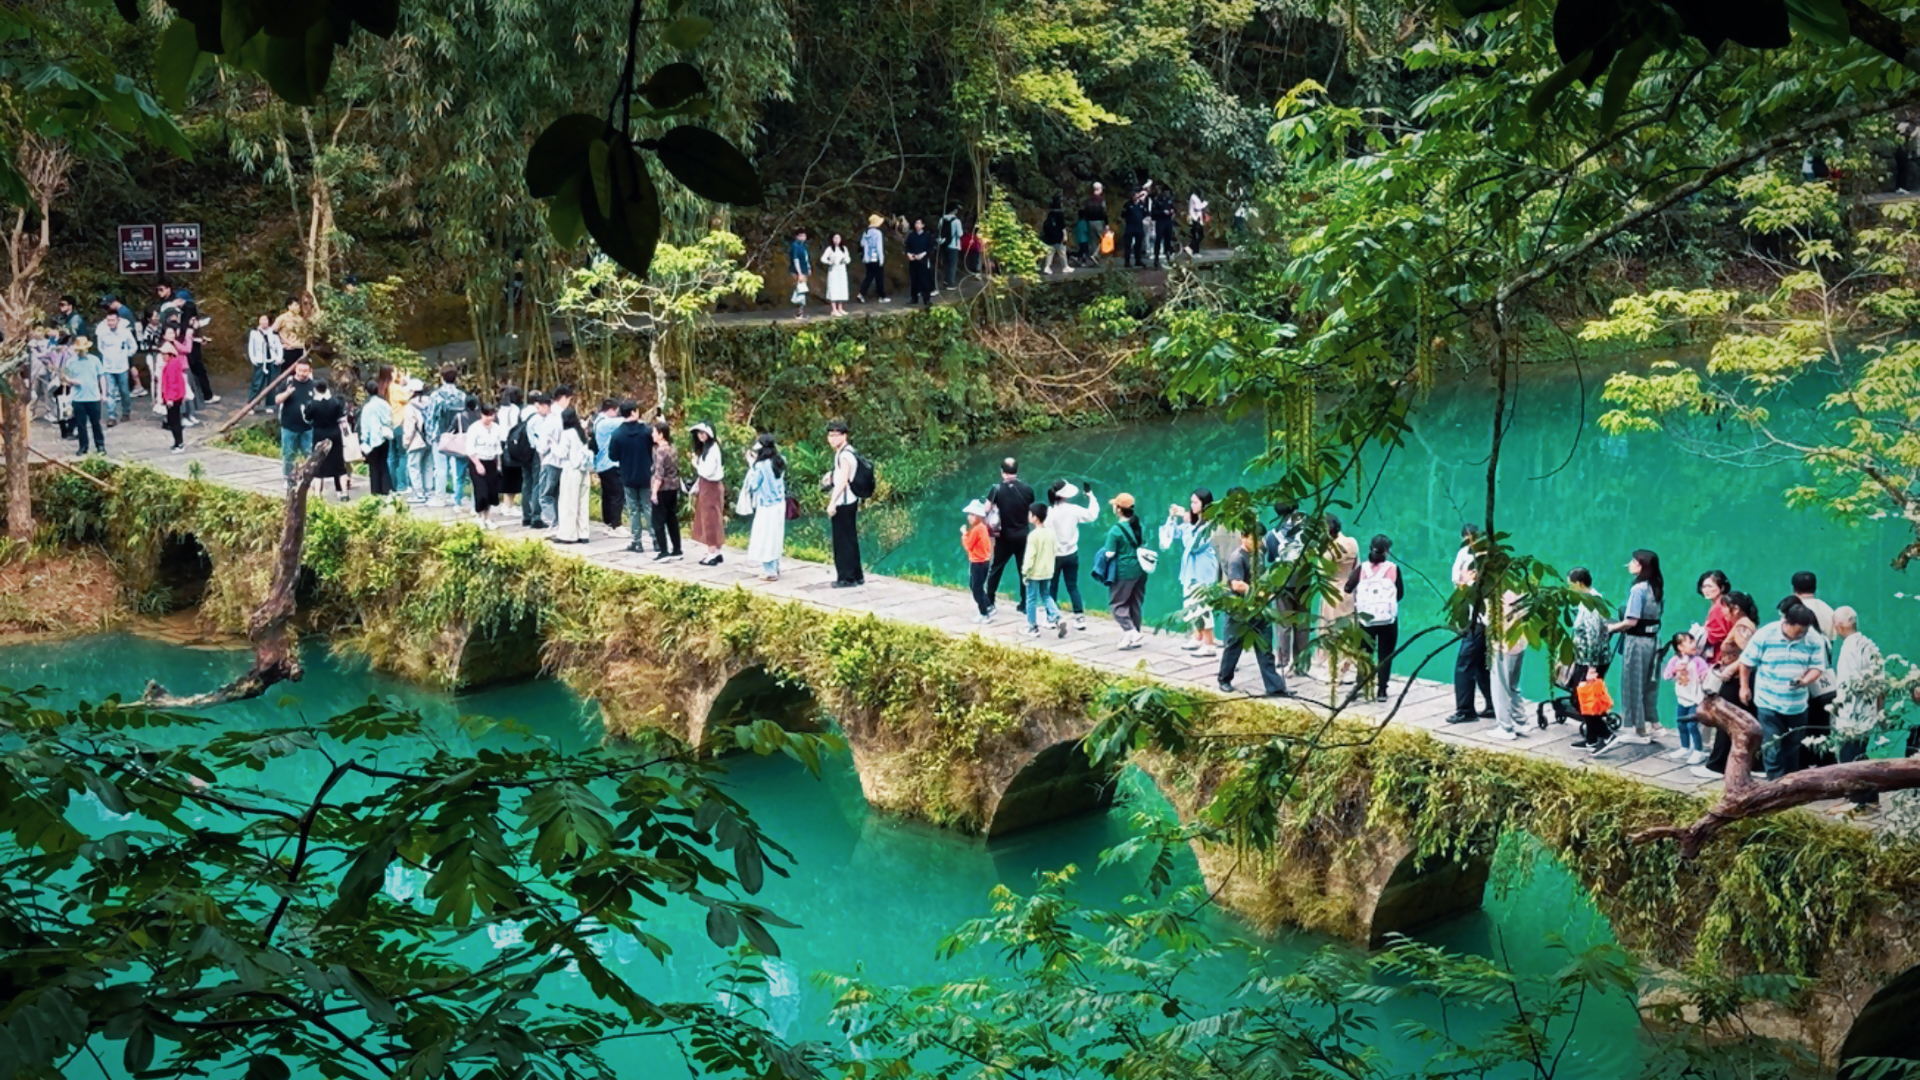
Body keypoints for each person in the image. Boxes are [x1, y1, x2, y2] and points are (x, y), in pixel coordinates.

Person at [1740, 602, 1829, 780]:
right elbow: (1746, 662)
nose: (1800, 636)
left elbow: (1817, 667)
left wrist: (1805, 681)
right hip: (1769, 701)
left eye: (1803, 632)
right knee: (1772, 747)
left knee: (1793, 746)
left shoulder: (1813, 638)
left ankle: (1789, 783)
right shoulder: (1765, 634)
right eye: (1797, 632)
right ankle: (1775, 784)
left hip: (1797, 704)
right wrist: (1744, 687)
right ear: (1786, 623)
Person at [1690, 591, 1762, 780]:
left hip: (1738, 681)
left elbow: (1750, 654)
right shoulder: (1744, 624)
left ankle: (1717, 766)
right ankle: (1754, 764)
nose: (1722, 611)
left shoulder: (1742, 627)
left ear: (1736, 609)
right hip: (1740, 679)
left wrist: (1731, 669)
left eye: (1725, 607)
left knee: (1726, 720)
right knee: (1745, 721)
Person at [1218, 524, 1290, 698]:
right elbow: (1236, 584)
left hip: (1259, 608)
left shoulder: (1259, 553)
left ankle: (1274, 686)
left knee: (1265, 647)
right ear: (1244, 537)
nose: (1260, 542)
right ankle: (1224, 679)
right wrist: (1258, 591)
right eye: (1255, 538)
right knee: (1233, 646)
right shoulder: (1237, 558)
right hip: (1239, 609)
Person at [1605, 549, 1666, 746]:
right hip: (1653, 640)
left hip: (1637, 642)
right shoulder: (1656, 586)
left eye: (1633, 561)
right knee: (1648, 683)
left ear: (1641, 566)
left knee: (1633, 682)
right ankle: (1653, 722)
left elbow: (1631, 621)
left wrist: (1612, 627)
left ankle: (1638, 729)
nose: (1629, 564)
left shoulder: (1638, 589)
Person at [1832, 607, 1889, 812]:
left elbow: (1849, 685)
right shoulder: (1869, 644)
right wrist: (1879, 711)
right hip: (1868, 712)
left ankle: (1857, 803)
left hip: (1852, 715)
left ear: (1838, 625)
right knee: (1860, 756)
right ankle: (1869, 798)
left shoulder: (1849, 650)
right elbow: (1881, 682)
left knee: (1850, 759)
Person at [1161, 489, 1220, 656]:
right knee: (1190, 605)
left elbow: (1194, 545)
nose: (1192, 505)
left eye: (1195, 502)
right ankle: (1197, 637)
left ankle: (1209, 643)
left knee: (1202, 606)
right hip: (1190, 571)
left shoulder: (1209, 524)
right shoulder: (1193, 522)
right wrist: (1173, 518)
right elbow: (1175, 533)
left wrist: (1187, 520)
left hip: (1203, 572)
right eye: (1191, 502)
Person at [1446, 524, 1495, 724]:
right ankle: (1492, 705)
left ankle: (1465, 710)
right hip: (1475, 617)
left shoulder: (1486, 559)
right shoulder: (1465, 554)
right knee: (1480, 665)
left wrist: (1466, 581)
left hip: (1481, 620)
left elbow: (1467, 583)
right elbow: (1458, 581)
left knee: (1464, 665)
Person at [1345, 534, 1403, 701]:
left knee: (1364, 653)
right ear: (1388, 551)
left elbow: (1348, 588)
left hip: (1366, 619)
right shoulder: (1394, 568)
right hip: (1388, 620)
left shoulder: (1362, 569)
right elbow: (1400, 594)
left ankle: (1360, 686)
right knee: (1385, 654)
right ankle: (1382, 690)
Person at [1790, 571, 1840, 767]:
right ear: (1815, 587)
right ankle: (1824, 761)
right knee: (1822, 720)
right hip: (1823, 673)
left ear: (1794, 588)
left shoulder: (1793, 610)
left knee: (1802, 720)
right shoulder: (1828, 610)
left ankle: (1802, 762)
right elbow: (1831, 643)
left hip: (1801, 674)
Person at [1567, 567, 1614, 750]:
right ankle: (1591, 739)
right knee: (1586, 697)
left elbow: (1593, 637)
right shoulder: (1586, 600)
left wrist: (1591, 667)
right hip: (1584, 658)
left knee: (1581, 698)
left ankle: (1606, 734)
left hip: (1590, 660)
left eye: (1570, 584)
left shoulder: (1591, 604)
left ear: (1579, 583)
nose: (1569, 588)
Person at [1045, 480, 1100, 631]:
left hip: (1054, 555)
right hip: (1071, 553)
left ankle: (1052, 617)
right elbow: (1092, 515)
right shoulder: (1074, 510)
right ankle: (1080, 617)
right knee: (1072, 586)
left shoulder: (1050, 512)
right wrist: (1091, 496)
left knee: (1052, 587)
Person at [984, 458, 1037, 613]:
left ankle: (990, 601)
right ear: (1017, 471)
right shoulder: (1028, 489)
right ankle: (1025, 604)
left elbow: (986, 509)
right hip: (1023, 536)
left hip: (1004, 537)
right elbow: (1031, 513)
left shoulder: (997, 489)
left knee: (996, 569)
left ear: (1002, 472)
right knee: (1024, 569)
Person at [1264, 503, 1311, 676]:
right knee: (1303, 624)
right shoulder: (1307, 530)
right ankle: (1301, 664)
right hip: (1304, 581)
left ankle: (1283, 662)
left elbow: (1270, 558)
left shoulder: (1273, 535)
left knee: (1284, 624)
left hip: (1283, 582)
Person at [1101, 493, 1148, 650]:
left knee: (1117, 604)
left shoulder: (1115, 530)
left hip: (1124, 571)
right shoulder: (1139, 525)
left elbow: (1109, 554)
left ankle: (1131, 632)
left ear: (1119, 509)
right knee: (1135, 603)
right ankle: (1134, 634)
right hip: (1140, 570)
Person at [1319, 514, 1361, 686]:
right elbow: (1357, 567)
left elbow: (1322, 573)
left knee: (1331, 631)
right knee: (1350, 628)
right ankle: (1349, 666)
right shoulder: (1352, 542)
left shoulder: (1329, 550)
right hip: (1350, 590)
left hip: (1332, 591)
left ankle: (1333, 672)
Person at [607, 400, 653, 553]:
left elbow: (612, 456)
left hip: (627, 475)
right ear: (633, 413)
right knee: (648, 507)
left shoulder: (617, 434)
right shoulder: (647, 431)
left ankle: (637, 541)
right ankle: (656, 540)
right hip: (646, 474)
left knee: (633, 510)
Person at [1662, 632, 1711, 764]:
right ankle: (1685, 747)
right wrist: (1674, 670)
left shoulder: (1698, 661)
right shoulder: (1674, 661)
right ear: (1680, 647)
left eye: (1693, 641)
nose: (1694, 644)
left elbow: (1705, 674)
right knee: (1681, 724)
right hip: (1682, 699)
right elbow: (1666, 676)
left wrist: (1704, 676)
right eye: (1689, 642)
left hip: (1696, 699)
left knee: (1692, 725)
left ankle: (1698, 751)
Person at [825, 420, 864, 586]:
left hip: (844, 502)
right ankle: (856, 575)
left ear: (844, 435)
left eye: (836, 435)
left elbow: (843, 480)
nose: (832, 438)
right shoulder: (849, 452)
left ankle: (846, 578)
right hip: (851, 500)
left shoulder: (844, 455)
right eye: (830, 435)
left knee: (842, 541)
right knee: (850, 538)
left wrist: (832, 502)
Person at [744, 433, 787, 580]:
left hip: (766, 506)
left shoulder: (761, 466)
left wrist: (751, 465)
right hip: (779, 504)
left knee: (765, 537)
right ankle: (775, 566)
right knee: (775, 536)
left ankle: (770, 571)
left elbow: (753, 485)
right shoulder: (780, 461)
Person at [421, 366, 466, 507]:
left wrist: (430, 434)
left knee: (440, 468)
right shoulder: (462, 396)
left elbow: (430, 417)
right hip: (458, 435)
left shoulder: (436, 396)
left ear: (441, 378)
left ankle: (440, 497)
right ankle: (456, 496)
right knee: (455, 467)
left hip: (440, 435)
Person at [550, 407, 594, 544]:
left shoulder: (567, 433)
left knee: (568, 502)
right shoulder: (581, 432)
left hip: (571, 470)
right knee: (582, 502)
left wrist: (553, 445)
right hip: (584, 470)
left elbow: (562, 453)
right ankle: (583, 533)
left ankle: (568, 534)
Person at [1021, 504, 1065, 638]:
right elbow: (1056, 549)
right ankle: (1057, 616)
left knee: (1031, 598)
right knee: (1046, 595)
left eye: (1030, 514)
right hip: (1048, 571)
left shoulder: (1033, 535)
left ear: (1035, 518)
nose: (1028, 516)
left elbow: (1030, 556)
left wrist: (1025, 571)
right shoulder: (1051, 533)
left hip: (1034, 572)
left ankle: (1032, 627)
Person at [305, 380, 351, 501]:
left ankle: (317, 496)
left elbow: (307, 418)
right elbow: (342, 418)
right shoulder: (335, 402)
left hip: (319, 435)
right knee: (339, 465)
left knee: (318, 466)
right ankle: (345, 493)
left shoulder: (312, 404)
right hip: (335, 434)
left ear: (315, 390)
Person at [688, 422, 726, 565]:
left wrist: (696, 464)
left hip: (711, 487)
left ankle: (712, 552)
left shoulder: (712, 450)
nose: (700, 436)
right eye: (699, 433)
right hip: (707, 486)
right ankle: (716, 551)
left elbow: (708, 472)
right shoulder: (708, 448)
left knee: (709, 518)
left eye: (703, 433)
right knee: (712, 517)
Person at [273, 359, 316, 483]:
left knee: (309, 455)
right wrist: (287, 393)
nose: (302, 373)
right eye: (300, 370)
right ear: (295, 369)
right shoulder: (288, 382)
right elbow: (277, 400)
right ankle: (288, 480)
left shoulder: (313, 384)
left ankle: (309, 480)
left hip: (308, 428)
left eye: (305, 371)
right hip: (289, 427)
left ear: (309, 371)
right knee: (289, 455)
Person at [62, 336, 107, 454]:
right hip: (78, 398)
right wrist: (71, 381)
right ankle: (83, 446)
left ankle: (100, 445)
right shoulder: (71, 362)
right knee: (81, 424)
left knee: (96, 423)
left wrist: (104, 393)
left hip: (93, 396)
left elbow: (101, 376)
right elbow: (65, 377)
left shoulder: (94, 360)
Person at [465, 404, 505, 528]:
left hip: (491, 461)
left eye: (491, 415)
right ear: (481, 415)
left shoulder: (497, 428)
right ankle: (479, 517)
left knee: (492, 492)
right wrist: (477, 464)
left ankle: (487, 517)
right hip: (477, 460)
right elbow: (470, 448)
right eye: (486, 415)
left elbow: (498, 447)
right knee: (481, 491)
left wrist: (499, 464)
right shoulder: (474, 428)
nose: (489, 418)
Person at [649, 421, 684, 559]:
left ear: (661, 434)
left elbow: (659, 473)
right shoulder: (672, 448)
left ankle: (663, 551)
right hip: (673, 487)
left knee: (657, 521)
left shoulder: (660, 451)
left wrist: (654, 492)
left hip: (662, 489)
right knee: (671, 518)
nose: (652, 435)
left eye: (654, 432)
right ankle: (677, 549)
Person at [95, 310, 135, 425]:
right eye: (109, 320)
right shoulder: (103, 333)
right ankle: (111, 416)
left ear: (118, 320)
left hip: (122, 367)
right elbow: (100, 348)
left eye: (113, 320)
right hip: (108, 367)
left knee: (124, 391)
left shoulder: (125, 333)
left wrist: (124, 355)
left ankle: (126, 411)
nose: (111, 323)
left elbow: (133, 347)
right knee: (109, 392)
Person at [592, 398, 626, 537]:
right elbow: (625, 421)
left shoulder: (597, 421)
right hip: (609, 463)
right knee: (617, 493)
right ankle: (615, 525)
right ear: (611, 410)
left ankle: (608, 523)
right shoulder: (606, 423)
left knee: (607, 494)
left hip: (601, 463)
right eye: (616, 411)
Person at [522, 391, 556, 527]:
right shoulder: (540, 420)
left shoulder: (529, 418)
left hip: (526, 453)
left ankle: (526, 515)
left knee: (527, 484)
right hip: (537, 453)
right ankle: (536, 517)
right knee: (537, 484)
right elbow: (542, 441)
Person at [359, 380, 396, 496]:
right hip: (385, 436)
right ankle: (386, 488)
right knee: (384, 463)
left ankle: (375, 490)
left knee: (374, 466)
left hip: (372, 440)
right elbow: (390, 419)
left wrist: (363, 440)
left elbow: (364, 425)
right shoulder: (385, 404)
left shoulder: (367, 407)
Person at [962, 499, 993, 622]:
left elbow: (968, 545)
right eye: (969, 514)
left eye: (972, 515)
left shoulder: (976, 530)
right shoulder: (983, 527)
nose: (969, 517)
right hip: (984, 561)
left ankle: (984, 614)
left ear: (978, 516)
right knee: (976, 585)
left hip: (977, 562)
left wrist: (964, 534)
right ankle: (988, 604)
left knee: (976, 589)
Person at [401, 379, 432, 502]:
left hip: (416, 441)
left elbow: (410, 427)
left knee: (414, 466)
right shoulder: (430, 402)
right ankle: (429, 491)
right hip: (430, 440)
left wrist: (406, 442)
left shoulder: (410, 407)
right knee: (428, 466)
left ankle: (419, 493)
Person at [158, 326, 188, 454]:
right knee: (174, 420)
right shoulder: (173, 364)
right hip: (176, 396)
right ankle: (178, 442)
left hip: (173, 398)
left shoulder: (171, 366)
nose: (162, 356)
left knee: (174, 421)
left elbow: (172, 383)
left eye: (164, 354)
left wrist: (169, 398)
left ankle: (179, 443)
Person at [246, 314, 284, 412]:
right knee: (257, 384)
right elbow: (251, 346)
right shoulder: (254, 333)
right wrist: (253, 358)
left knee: (271, 384)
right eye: (262, 320)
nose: (264, 322)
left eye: (265, 319)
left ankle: (270, 405)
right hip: (259, 361)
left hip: (271, 361)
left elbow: (278, 346)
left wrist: (279, 358)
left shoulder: (273, 333)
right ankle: (252, 405)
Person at [495, 387, 523, 508]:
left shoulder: (500, 409)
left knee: (506, 473)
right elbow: (515, 426)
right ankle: (508, 505)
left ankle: (507, 504)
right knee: (513, 474)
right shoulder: (515, 409)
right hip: (511, 442)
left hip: (501, 441)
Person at [858, 214, 889, 303]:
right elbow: (879, 247)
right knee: (879, 277)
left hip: (867, 258)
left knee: (869, 276)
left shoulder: (866, 232)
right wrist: (881, 258)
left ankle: (861, 293)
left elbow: (862, 244)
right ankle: (881, 296)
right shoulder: (878, 233)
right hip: (876, 258)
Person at [905, 219, 935, 306]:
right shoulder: (911, 235)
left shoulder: (927, 236)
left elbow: (930, 248)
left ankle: (926, 299)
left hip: (923, 260)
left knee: (924, 280)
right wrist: (909, 254)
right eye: (916, 223)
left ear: (923, 225)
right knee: (914, 280)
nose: (917, 225)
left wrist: (923, 254)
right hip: (913, 260)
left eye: (919, 223)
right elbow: (907, 246)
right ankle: (914, 298)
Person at [822, 233, 852, 317]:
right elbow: (823, 258)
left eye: (838, 238)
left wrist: (846, 260)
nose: (836, 240)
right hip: (833, 270)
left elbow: (848, 258)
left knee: (842, 288)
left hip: (842, 270)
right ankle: (833, 309)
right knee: (833, 288)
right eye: (835, 238)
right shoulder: (830, 249)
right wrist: (830, 262)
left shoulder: (844, 249)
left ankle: (840, 308)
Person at [1078, 182, 1108, 265]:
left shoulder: (1088, 200)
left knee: (1092, 240)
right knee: (1102, 239)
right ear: (1099, 189)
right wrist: (1106, 223)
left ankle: (1092, 257)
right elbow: (1104, 212)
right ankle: (1095, 255)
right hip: (1099, 221)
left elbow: (1085, 210)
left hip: (1090, 221)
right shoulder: (1101, 200)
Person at [1041, 196, 1071, 275]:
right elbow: (1062, 226)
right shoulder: (1060, 214)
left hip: (1050, 236)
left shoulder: (1050, 214)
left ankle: (1047, 267)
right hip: (1058, 236)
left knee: (1050, 252)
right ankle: (1065, 266)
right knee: (1062, 252)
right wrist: (1065, 235)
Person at [1150, 186, 1177, 267]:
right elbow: (1153, 213)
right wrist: (1162, 212)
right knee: (1158, 239)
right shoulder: (1156, 200)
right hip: (1160, 221)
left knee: (1168, 240)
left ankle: (1168, 256)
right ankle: (1156, 259)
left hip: (1168, 221)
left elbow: (1173, 208)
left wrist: (1172, 211)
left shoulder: (1168, 200)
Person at [937, 206, 963, 290]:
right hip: (953, 245)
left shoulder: (942, 219)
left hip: (943, 244)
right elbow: (960, 234)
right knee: (952, 265)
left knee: (945, 263)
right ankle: (950, 283)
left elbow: (939, 229)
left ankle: (945, 281)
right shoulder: (956, 221)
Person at [788, 229, 812, 319]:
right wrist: (799, 273)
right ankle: (798, 312)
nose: (803, 238)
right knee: (799, 291)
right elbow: (795, 260)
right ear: (797, 236)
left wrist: (808, 268)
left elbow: (806, 258)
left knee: (803, 290)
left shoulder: (804, 246)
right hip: (797, 271)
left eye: (804, 236)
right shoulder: (795, 246)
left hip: (804, 269)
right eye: (801, 236)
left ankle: (801, 312)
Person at [1121, 190, 1148, 268]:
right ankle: (1127, 262)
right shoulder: (1127, 204)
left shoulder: (1141, 204)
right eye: (1134, 196)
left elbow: (1144, 214)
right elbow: (1123, 215)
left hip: (1139, 226)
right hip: (1130, 226)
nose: (1136, 197)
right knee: (1128, 244)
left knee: (1138, 244)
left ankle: (1138, 260)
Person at [1187, 189, 1208, 254]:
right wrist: (1205, 203)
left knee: (1198, 235)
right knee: (1198, 235)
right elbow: (1198, 207)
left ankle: (1194, 249)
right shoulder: (1194, 197)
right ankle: (1192, 248)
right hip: (1195, 218)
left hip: (1198, 218)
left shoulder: (1196, 198)